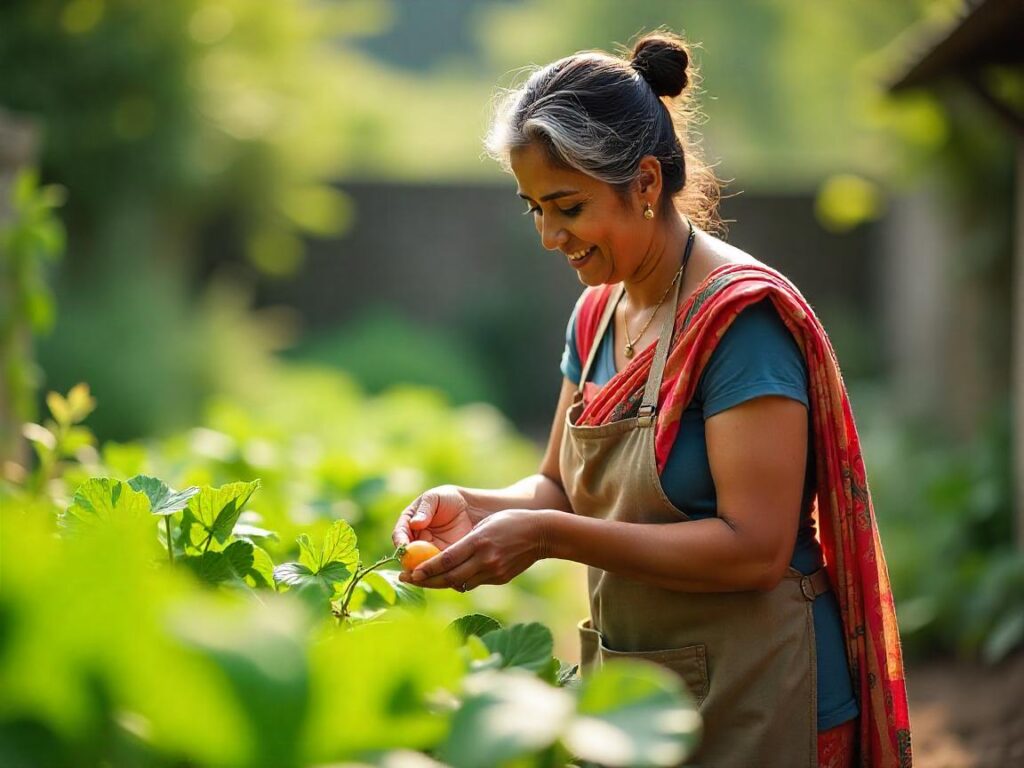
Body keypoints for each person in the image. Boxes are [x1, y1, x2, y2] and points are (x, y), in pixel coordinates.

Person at [392, 31, 911, 768]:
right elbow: (559, 487)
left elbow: (755, 548)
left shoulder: (739, 322)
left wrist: (545, 537)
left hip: (768, 695)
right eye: (533, 208)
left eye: (567, 206)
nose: (548, 236)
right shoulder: (599, 313)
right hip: (639, 697)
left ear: (642, 183)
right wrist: (474, 508)